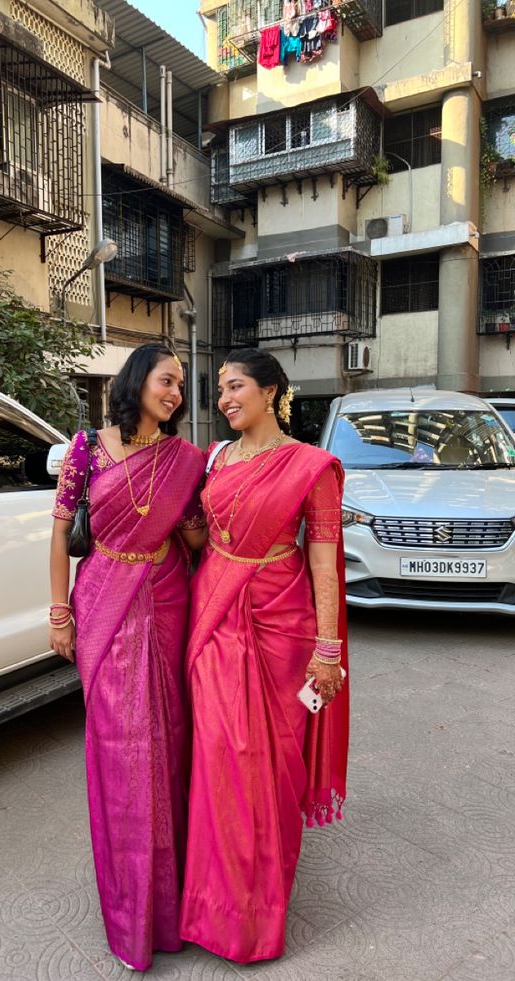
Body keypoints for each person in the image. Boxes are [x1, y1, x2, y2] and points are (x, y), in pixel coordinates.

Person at [179, 348, 349, 964]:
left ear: (273, 391)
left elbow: (325, 560)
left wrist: (327, 651)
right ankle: (213, 908)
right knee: (222, 754)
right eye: (219, 389)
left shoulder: (313, 466)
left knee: (271, 764)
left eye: (236, 386)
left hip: (283, 623)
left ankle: (258, 909)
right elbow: (200, 535)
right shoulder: (217, 459)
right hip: (214, 612)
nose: (224, 398)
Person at [49, 344, 206, 972]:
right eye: (167, 380)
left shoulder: (186, 459)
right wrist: (59, 612)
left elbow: (195, 535)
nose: (175, 393)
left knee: (168, 741)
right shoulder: (87, 447)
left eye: (181, 386)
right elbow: (62, 532)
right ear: (137, 379)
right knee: (119, 750)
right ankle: (129, 910)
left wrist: (208, 508)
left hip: (167, 597)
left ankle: (170, 905)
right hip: (103, 599)